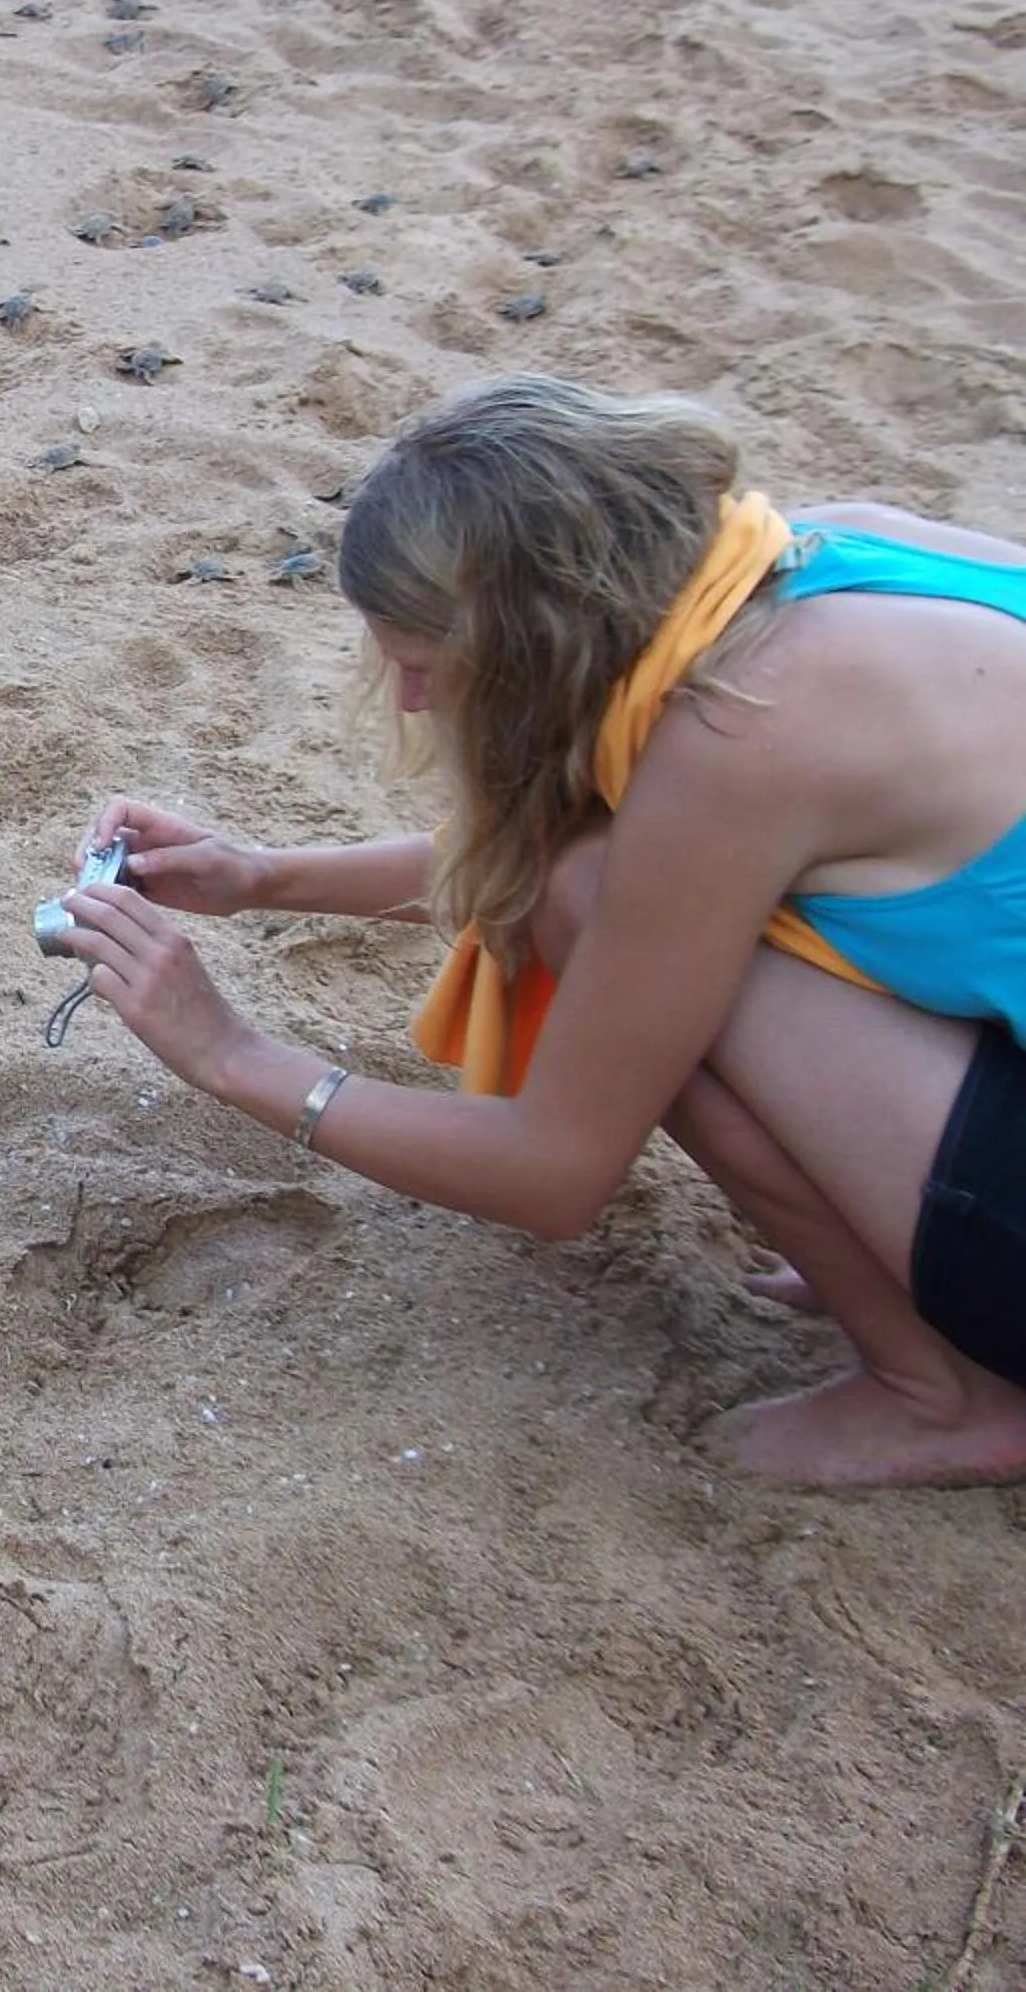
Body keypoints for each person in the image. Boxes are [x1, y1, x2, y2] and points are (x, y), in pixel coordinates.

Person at [56, 374, 1026, 1490]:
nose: (412, 700)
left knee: (597, 912)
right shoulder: (809, 560)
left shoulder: (740, 733)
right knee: (602, 893)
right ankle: (893, 1241)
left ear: (529, 643)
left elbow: (555, 1173)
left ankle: (940, 1393)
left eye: (423, 665)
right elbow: (626, 861)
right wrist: (259, 877)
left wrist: (228, 1053)